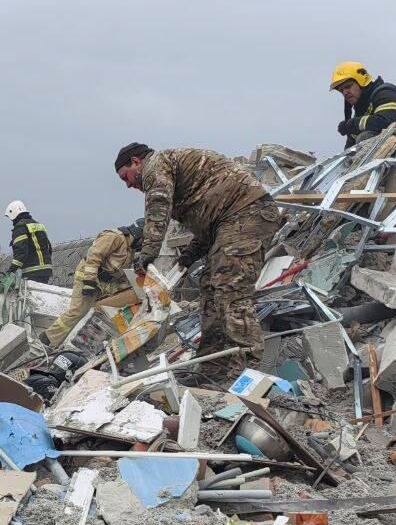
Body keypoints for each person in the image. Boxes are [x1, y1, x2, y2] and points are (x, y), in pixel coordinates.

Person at [114, 142, 283, 380]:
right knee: (211, 289)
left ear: (136, 162)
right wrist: (189, 254)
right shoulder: (176, 172)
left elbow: (158, 206)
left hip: (247, 213)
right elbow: (209, 221)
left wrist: (148, 252)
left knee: (230, 288)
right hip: (231, 220)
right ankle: (212, 370)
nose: (129, 184)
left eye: (126, 177)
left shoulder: (155, 166)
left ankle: (248, 375)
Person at [40, 221, 142, 347]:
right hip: (88, 277)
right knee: (77, 311)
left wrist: (126, 290)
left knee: (104, 311)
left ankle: (84, 345)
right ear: (139, 236)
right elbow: (93, 257)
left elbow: (119, 274)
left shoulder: (129, 249)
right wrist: (89, 282)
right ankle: (47, 340)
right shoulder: (114, 237)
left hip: (104, 283)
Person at [4, 200, 53, 284]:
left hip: (31, 272)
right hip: (46, 271)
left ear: (13, 214)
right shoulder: (39, 225)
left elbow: (21, 252)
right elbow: (49, 248)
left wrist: (11, 270)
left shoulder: (20, 227)